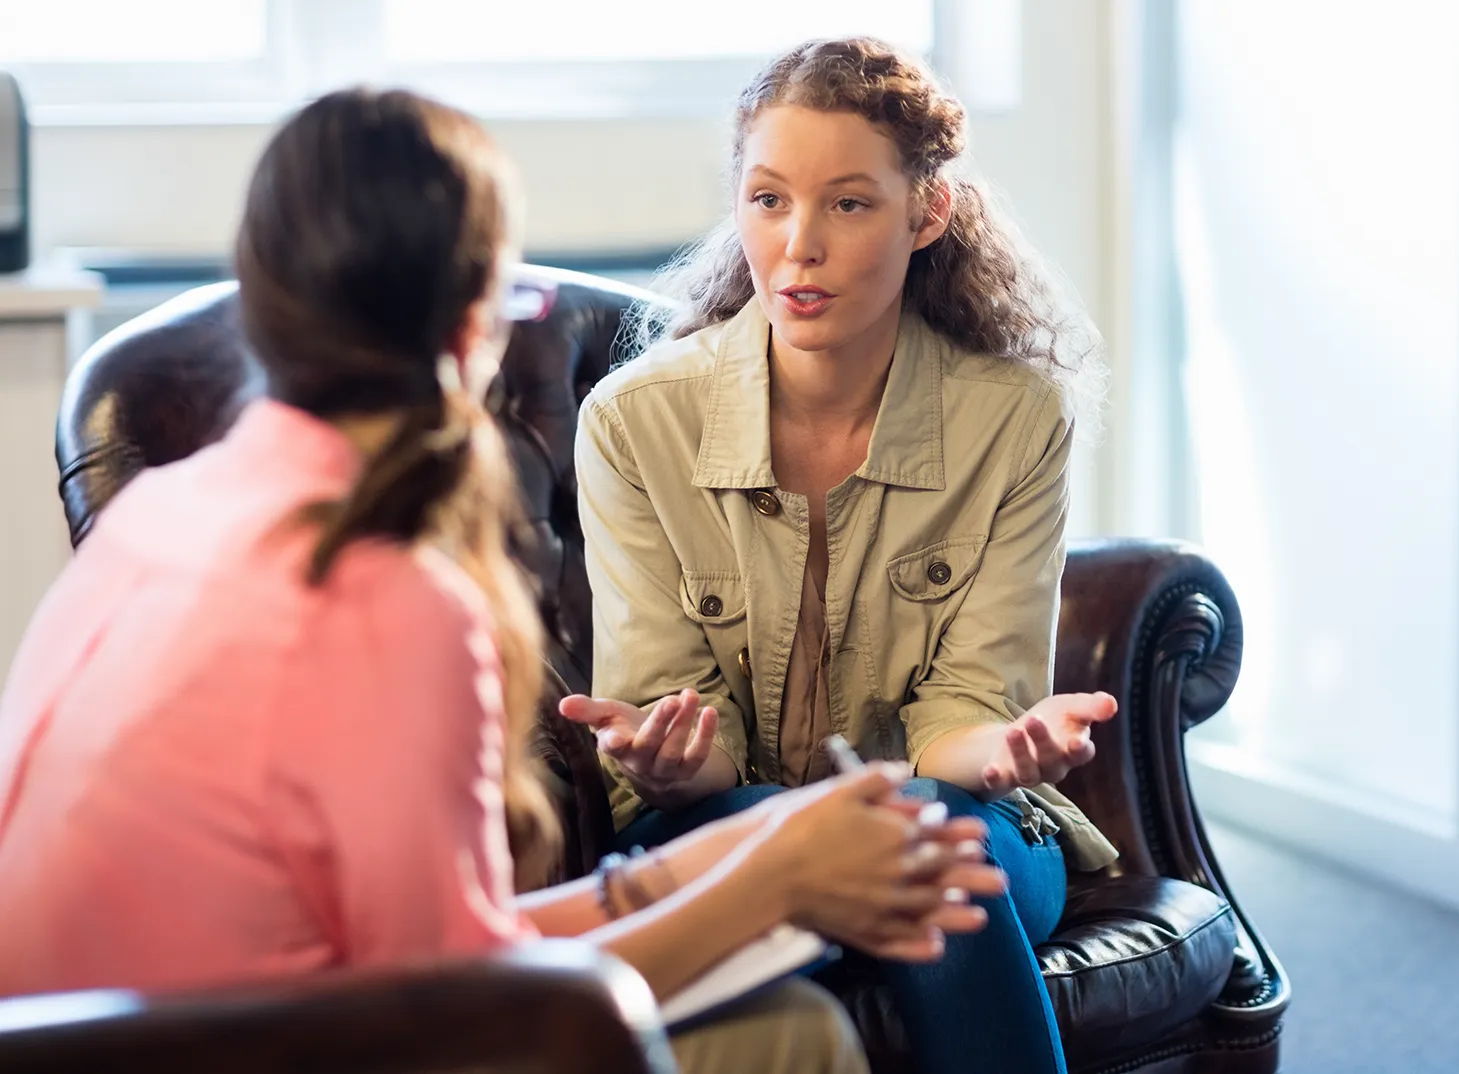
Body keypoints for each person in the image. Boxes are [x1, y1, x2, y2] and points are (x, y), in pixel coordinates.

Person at [0, 86, 1010, 1074]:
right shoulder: (384, 599)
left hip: (114, 1034)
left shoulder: (162, 511)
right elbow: (469, 1008)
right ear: (469, 331)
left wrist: (761, 846)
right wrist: (771, 882)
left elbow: (439, 947)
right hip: (233, 1043)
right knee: (795, 1031)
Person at [559, 37, 1116, 1074]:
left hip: (960, 813)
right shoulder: (635, 423)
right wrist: (673, 757)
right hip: (720, 815)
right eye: (768, 199)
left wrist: (1000, 754)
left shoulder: (1014, 418)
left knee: (922, 841)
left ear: (926, 213)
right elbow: (677, 734)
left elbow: (964, 711)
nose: (797, 246)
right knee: (844, 856)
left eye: (848, 204)